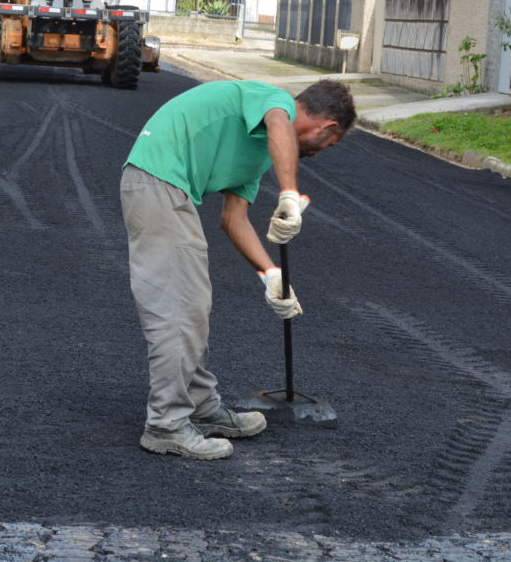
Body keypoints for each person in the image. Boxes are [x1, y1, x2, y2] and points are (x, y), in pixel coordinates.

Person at [121, 78, 356, 460]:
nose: (323, 150)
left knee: (193, 305)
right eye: (330, 143)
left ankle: (201, 407)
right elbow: (281, 122)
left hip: (168, 191)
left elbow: (234, 219)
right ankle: (166, 425)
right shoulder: (275, 103)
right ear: (327, 127)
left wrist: (270, 276)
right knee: (177, 310)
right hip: (157, 183)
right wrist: (289, 196)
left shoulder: (261, 149)